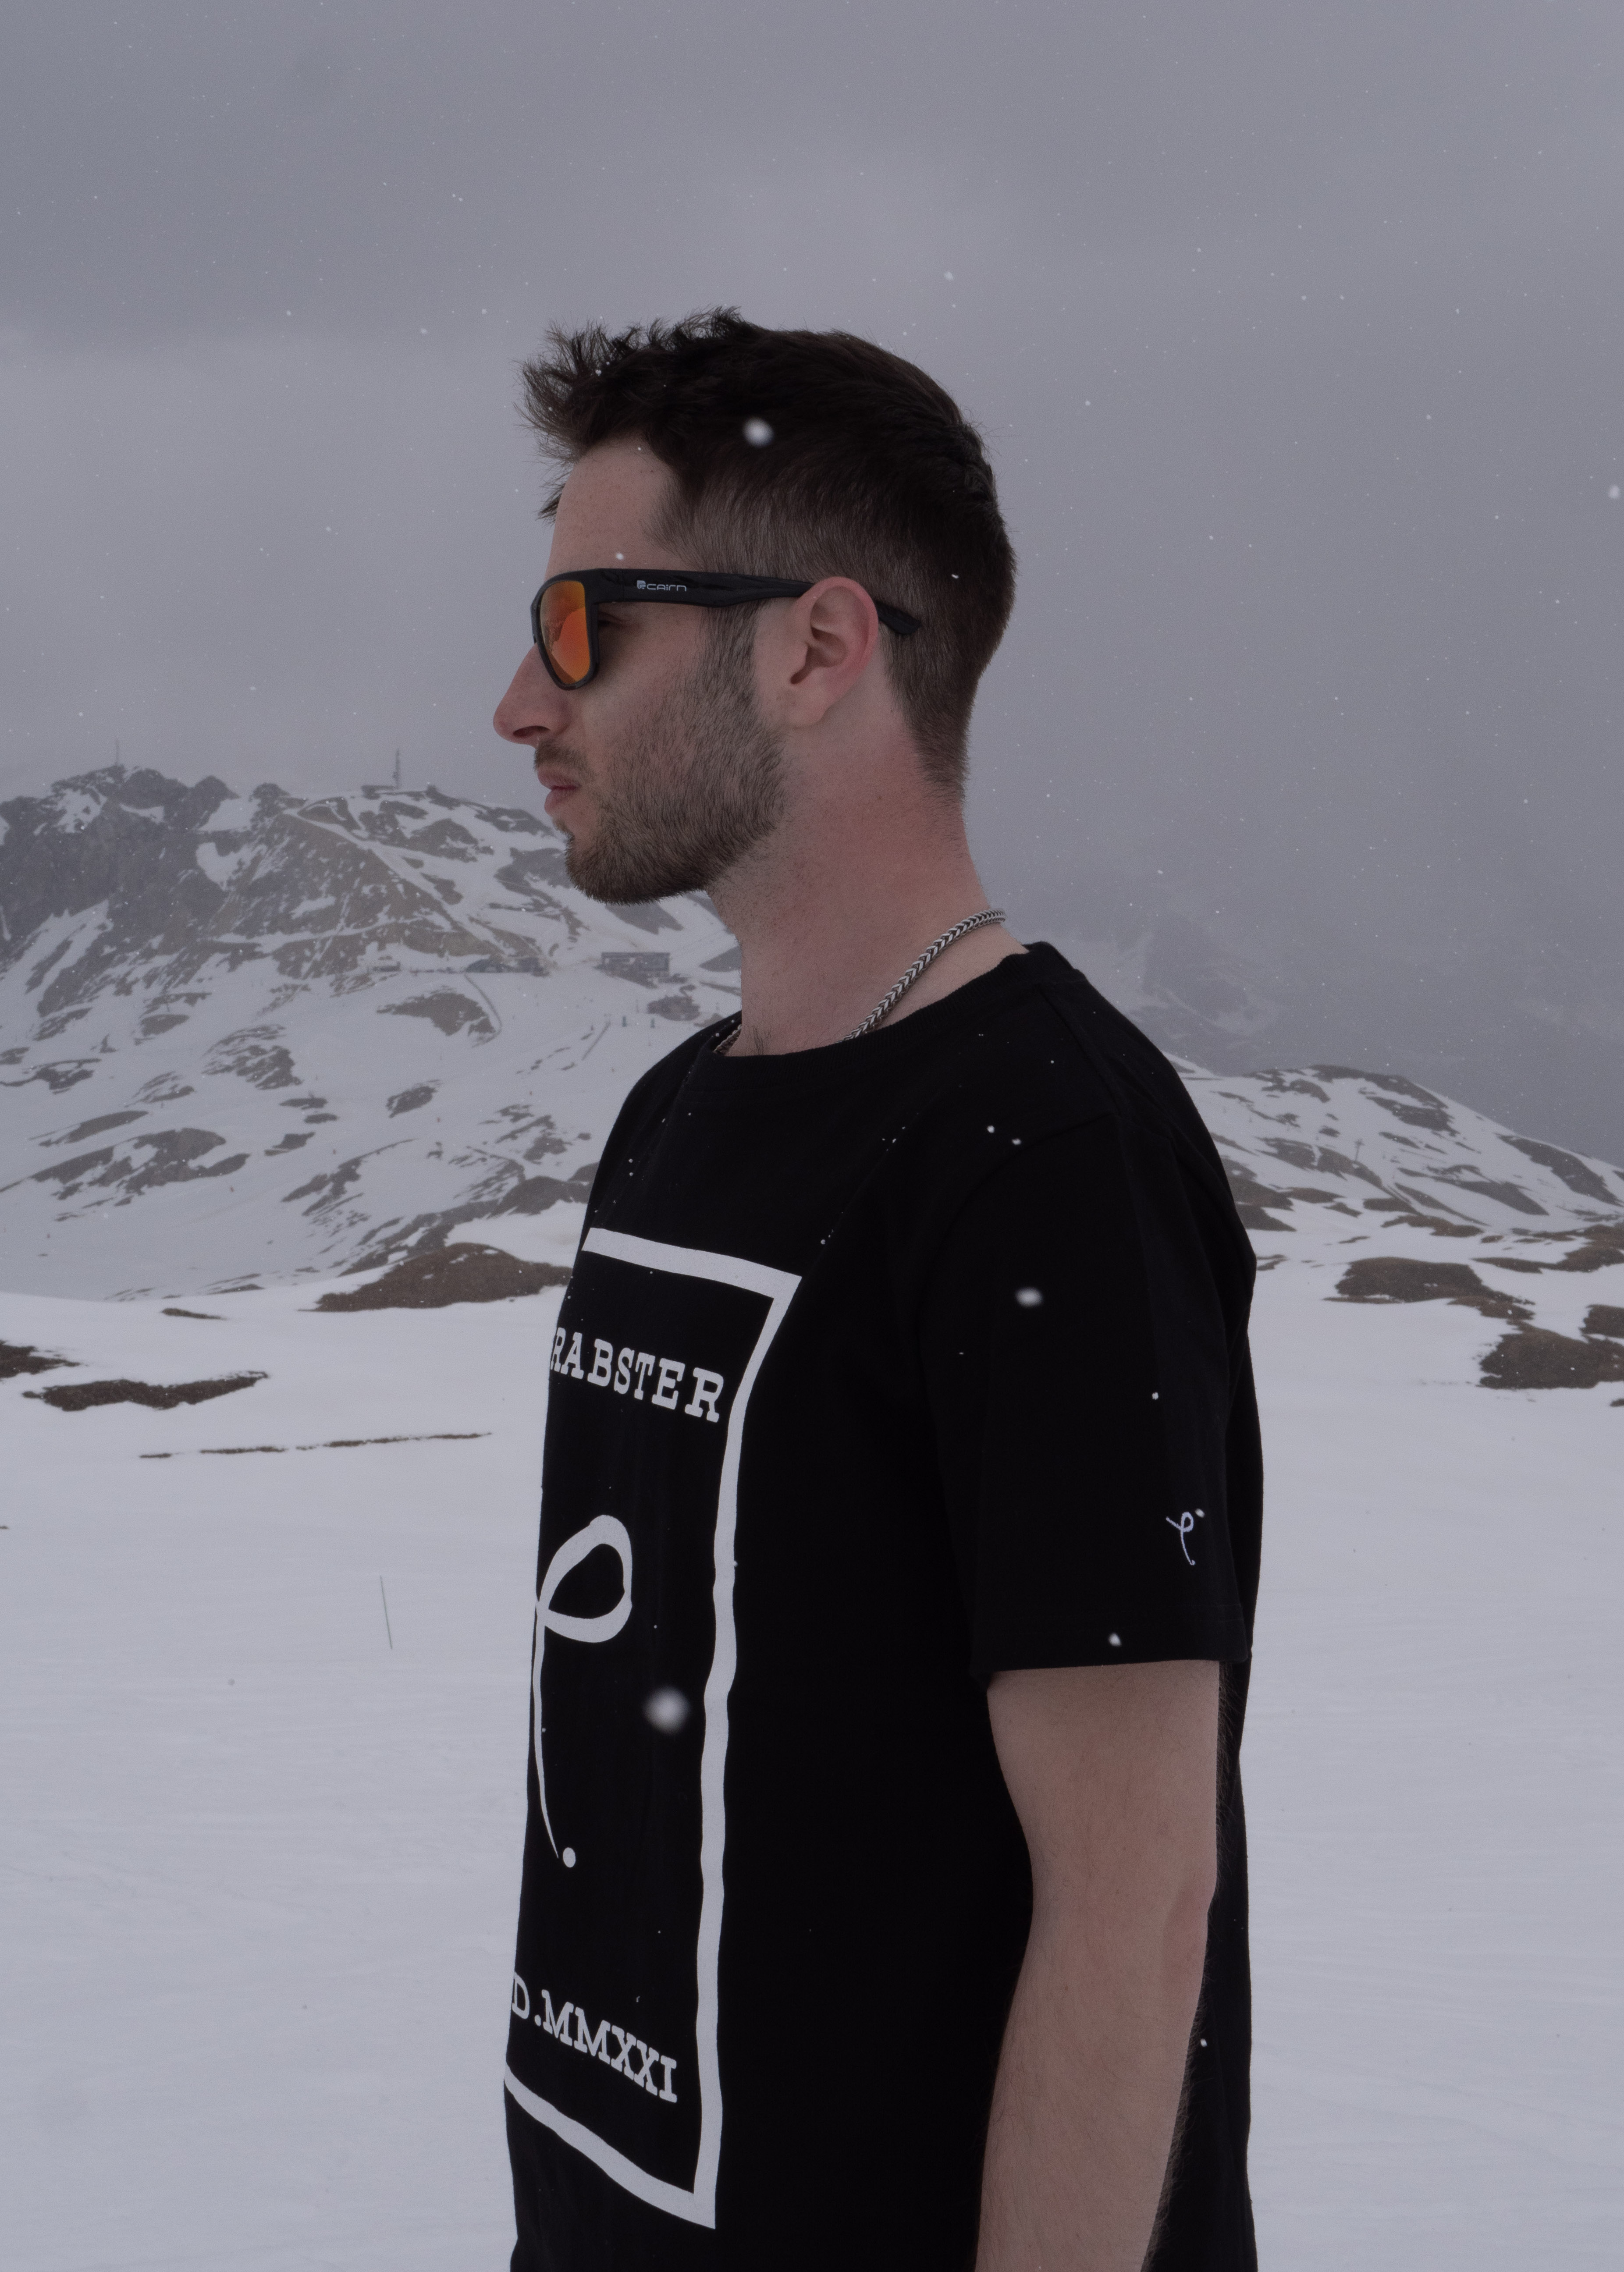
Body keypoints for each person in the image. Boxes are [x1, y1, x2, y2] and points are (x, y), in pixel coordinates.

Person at [492, 310, 1261, 2272]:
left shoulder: (1047, 1160)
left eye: (584, 627)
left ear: (816, 647)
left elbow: (1134, 1901)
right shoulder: (683, 1113)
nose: (516, 702)